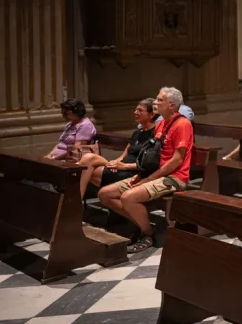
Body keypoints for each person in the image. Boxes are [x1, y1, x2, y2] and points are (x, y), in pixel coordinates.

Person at [98, 87, 194, 253]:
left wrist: (149, 179)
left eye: (159, 100)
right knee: (105, 194)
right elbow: (153, 156)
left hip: (175, 177)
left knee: (128, 197)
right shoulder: (161, 125)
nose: (155, 102)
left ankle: (148, 234)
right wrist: (141, 174)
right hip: (154, 173)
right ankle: (143, 223)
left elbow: (177, 160)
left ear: (171, 105)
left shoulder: (182, 124)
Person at [76, 98, 156, 199]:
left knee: (84, 171)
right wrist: (115, 163)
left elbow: (148, 164)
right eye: (136, 110)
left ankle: (76, 202)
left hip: (132, 173)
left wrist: (124, 166)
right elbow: (123, 155)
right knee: (87, 159)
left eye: (140, 110)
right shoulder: (137, 132)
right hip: (120, 167)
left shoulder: (155, 134)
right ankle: (76, 202)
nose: (135, 112)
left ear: (151, 115)